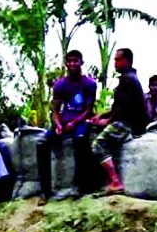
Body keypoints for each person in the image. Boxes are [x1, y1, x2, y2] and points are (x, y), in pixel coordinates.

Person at [37, 50, 96, 202]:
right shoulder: (60, 84)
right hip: (64, 122)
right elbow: (55, 109)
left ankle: (79, 186)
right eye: (69, 61)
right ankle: (45, 191)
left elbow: (88, 110)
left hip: (81, 121)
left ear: (81, 63)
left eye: (75, 61)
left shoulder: (89, 84)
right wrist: (57, 124)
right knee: (42, 143)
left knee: (80, 140)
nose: (72, 64)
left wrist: (74, 122)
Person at [89, 48, 149, 194]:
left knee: (98, 145)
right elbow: (118, 106)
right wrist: (101, 115)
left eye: (118, 60)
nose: (115, 63)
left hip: (127, 124)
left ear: (127, 61)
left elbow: (123, 110)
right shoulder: (129, 78)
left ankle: (115, 182)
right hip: (127, 120)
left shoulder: (127, 80)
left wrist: (106, 121)